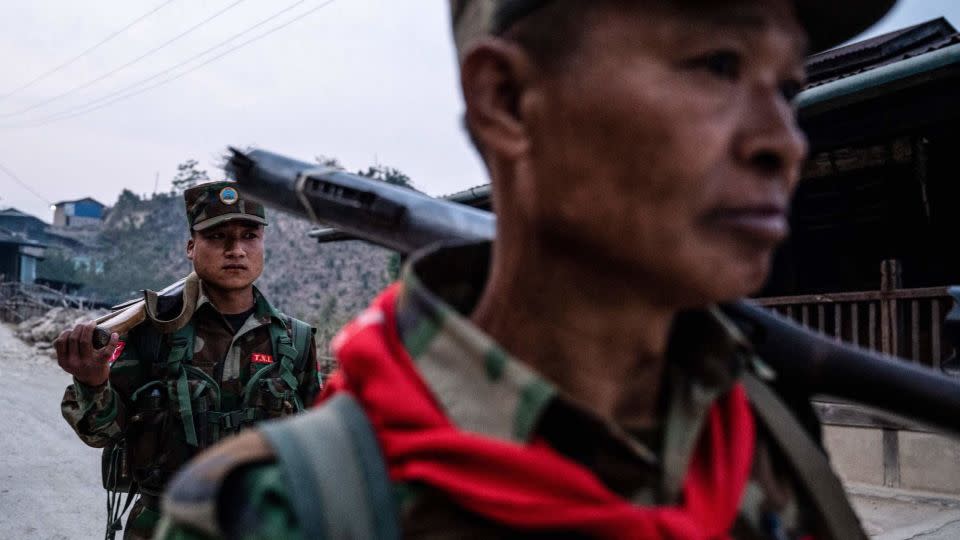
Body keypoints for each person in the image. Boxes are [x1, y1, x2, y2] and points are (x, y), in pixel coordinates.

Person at [158, 1, 897, 538]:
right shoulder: (279, 513)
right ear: (506, 100)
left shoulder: (770, 446)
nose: (784, 142)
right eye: (718, 66)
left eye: (788, 89)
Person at [57, 181, 321, 539]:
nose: (236, 249)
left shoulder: (296, 339)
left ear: (263, 244)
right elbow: (101, 433)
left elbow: (316, 446)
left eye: (249, 235)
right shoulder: (150, 331)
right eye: (217, 236)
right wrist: (91, 382)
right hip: (166, 524)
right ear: (190, 247)